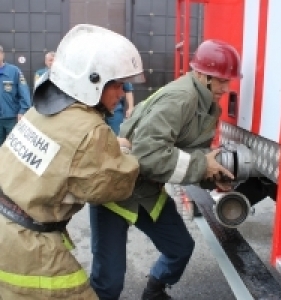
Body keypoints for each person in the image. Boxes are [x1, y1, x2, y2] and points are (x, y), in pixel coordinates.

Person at [0, 24, 145, 300]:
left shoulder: (41, 110)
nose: (121, 91)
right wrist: (127, 155)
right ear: (92, 81)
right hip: (27, 247)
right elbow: (113, 186)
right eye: (115, 83)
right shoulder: (91, 131)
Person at [89, 39, 241, 300]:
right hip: (116, 189)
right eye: (221, 81)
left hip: (147, 190)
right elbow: (147, 154)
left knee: (180, 248)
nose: (226, 88)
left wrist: (213, 176)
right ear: (203, 75)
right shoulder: (181, 99)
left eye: (229, 81)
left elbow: (194, 153)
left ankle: (154, 292)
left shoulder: (207, 106)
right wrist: (202, 166)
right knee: (109, 282)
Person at [0, 45, 31, 145]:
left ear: (2, 54)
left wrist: (22, 111)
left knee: (13, 147)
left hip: (12, 118)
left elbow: (24, 92)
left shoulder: (14, 71)